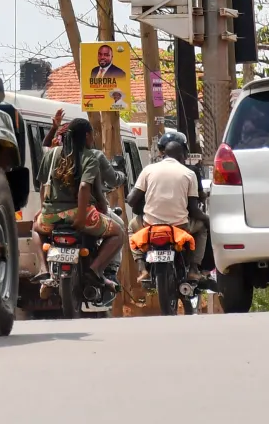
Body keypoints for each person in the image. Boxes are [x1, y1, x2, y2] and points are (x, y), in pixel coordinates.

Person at [38, 116, 124, 304]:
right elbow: (86, 188)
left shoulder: (51, 155)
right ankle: (95, 270)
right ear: (87, 136)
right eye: (92, 134)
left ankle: (44, 270)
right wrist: (80, 215)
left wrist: (44, 209)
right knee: (119, 233)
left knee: (36, 230)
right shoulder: (91, 157)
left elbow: (43, 185)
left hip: (51, 215)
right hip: (81, 214)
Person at [130, 129, 207, 268]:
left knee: (131, 227)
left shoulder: (148, 170)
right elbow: (194, 210)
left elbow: (131, 200)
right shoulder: (190, 173)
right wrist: (207, 219)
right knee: (202, 228)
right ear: (182, 154)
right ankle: (194, 268)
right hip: (179, 225)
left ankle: (141, 268)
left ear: (162, 153)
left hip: (150, 224)